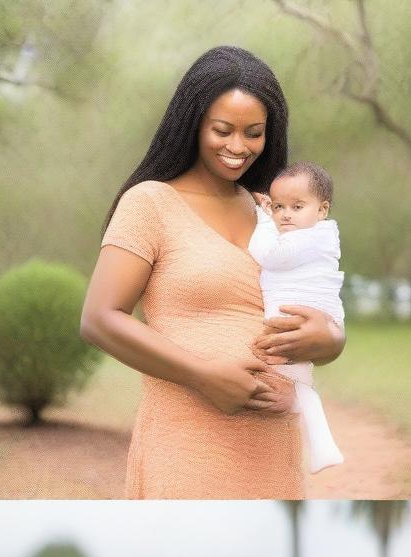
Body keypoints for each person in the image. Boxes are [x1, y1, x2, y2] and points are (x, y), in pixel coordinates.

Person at [80, 46, 345, 499]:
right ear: (194, 123)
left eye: (254, 133)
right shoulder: (150, 203)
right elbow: (100, 318)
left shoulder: (271, 211)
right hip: (187, 441)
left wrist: (331, 341)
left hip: (272, 446)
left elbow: (315, 295)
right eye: (222, 130)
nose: (238, 147)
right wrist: (202, 374)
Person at [250, 162, 345, 472]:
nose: (284, 214)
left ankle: (319, 444)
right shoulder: (313, 232)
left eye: (296, 206)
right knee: (297, 384)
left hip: (300, 315)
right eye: (277, 207)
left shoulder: (312, 237)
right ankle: (322, 447)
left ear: (322, 209)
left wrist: (263, 220)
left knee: (287, 381)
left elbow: (269, 256)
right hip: (301, 313)